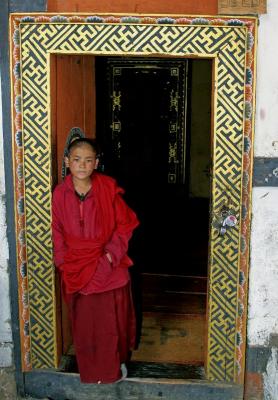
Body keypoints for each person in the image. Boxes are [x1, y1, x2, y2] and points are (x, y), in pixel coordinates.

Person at [51, 137, 139, 384]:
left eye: (88, 160)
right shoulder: (59, 194)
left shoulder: (107, 188)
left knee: (113, 321)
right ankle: (92, 368)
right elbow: (56, 230)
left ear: (96, 163)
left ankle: (115, 364)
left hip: (107, 262)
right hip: (75, 265)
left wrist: (111, 255)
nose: (82, 165)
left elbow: (125, 225)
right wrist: (62, 260)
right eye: (77, 160)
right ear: (67, 161)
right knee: (86, 324)